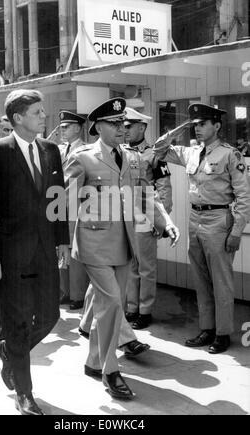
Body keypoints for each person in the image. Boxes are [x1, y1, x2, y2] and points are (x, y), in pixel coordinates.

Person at [65, 97, 180, 400]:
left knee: (107, 306)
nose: (121, 128)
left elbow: (146, 195)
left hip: (123, 245)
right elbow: (66, 201)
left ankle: (92, 361)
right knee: (114, 303)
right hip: (93, 244)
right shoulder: (83, 157)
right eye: (114, 123)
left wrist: (164, 221)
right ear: (97, 126)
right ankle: (110, 371)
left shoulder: (131, 158)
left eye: (123, 124)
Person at [0, 89, 70, 416]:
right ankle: (25, 393)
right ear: (18, 118)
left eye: (43, 111)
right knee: (16, 321)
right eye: (37, 112)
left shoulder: (51, 150)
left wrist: (62, 240)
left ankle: (8, 351)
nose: (44, 116)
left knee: (50, 314)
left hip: (45, 248)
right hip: (10, 251)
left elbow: (57, 198)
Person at [154, 103, 250, 354]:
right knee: (200, 279)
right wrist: (180, 128)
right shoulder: (190, 152)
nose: (197, 129)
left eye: (202, 124)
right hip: (195, 220)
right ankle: (206, 328)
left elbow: (244, 196)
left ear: (217, 126)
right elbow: (159, 149)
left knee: (221, 280)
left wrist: (237, 231)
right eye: (194, 125)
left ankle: (222, 333)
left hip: (219, 220)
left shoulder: (230, 154)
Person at [124, 107, 173, 330]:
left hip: (145, 216)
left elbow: (164, 191)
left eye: (128, 127)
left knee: (146, 267)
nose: (124, 131)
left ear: (142, 127)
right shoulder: (119, 152)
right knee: (129, 266)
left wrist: (160, 222)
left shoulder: (155, 154)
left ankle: (145, 310)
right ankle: (131, 308)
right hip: (123, 217)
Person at [58, 110, 90, 310]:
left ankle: (78, 295)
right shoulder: (61, 150)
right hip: (59, 204)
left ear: (78, 128)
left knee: (77, 251)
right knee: (61, 248)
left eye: (66, 127)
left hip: (78, 205)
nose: (62, 130)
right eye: (62, 127)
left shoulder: (86, 150)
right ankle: (65, 292)